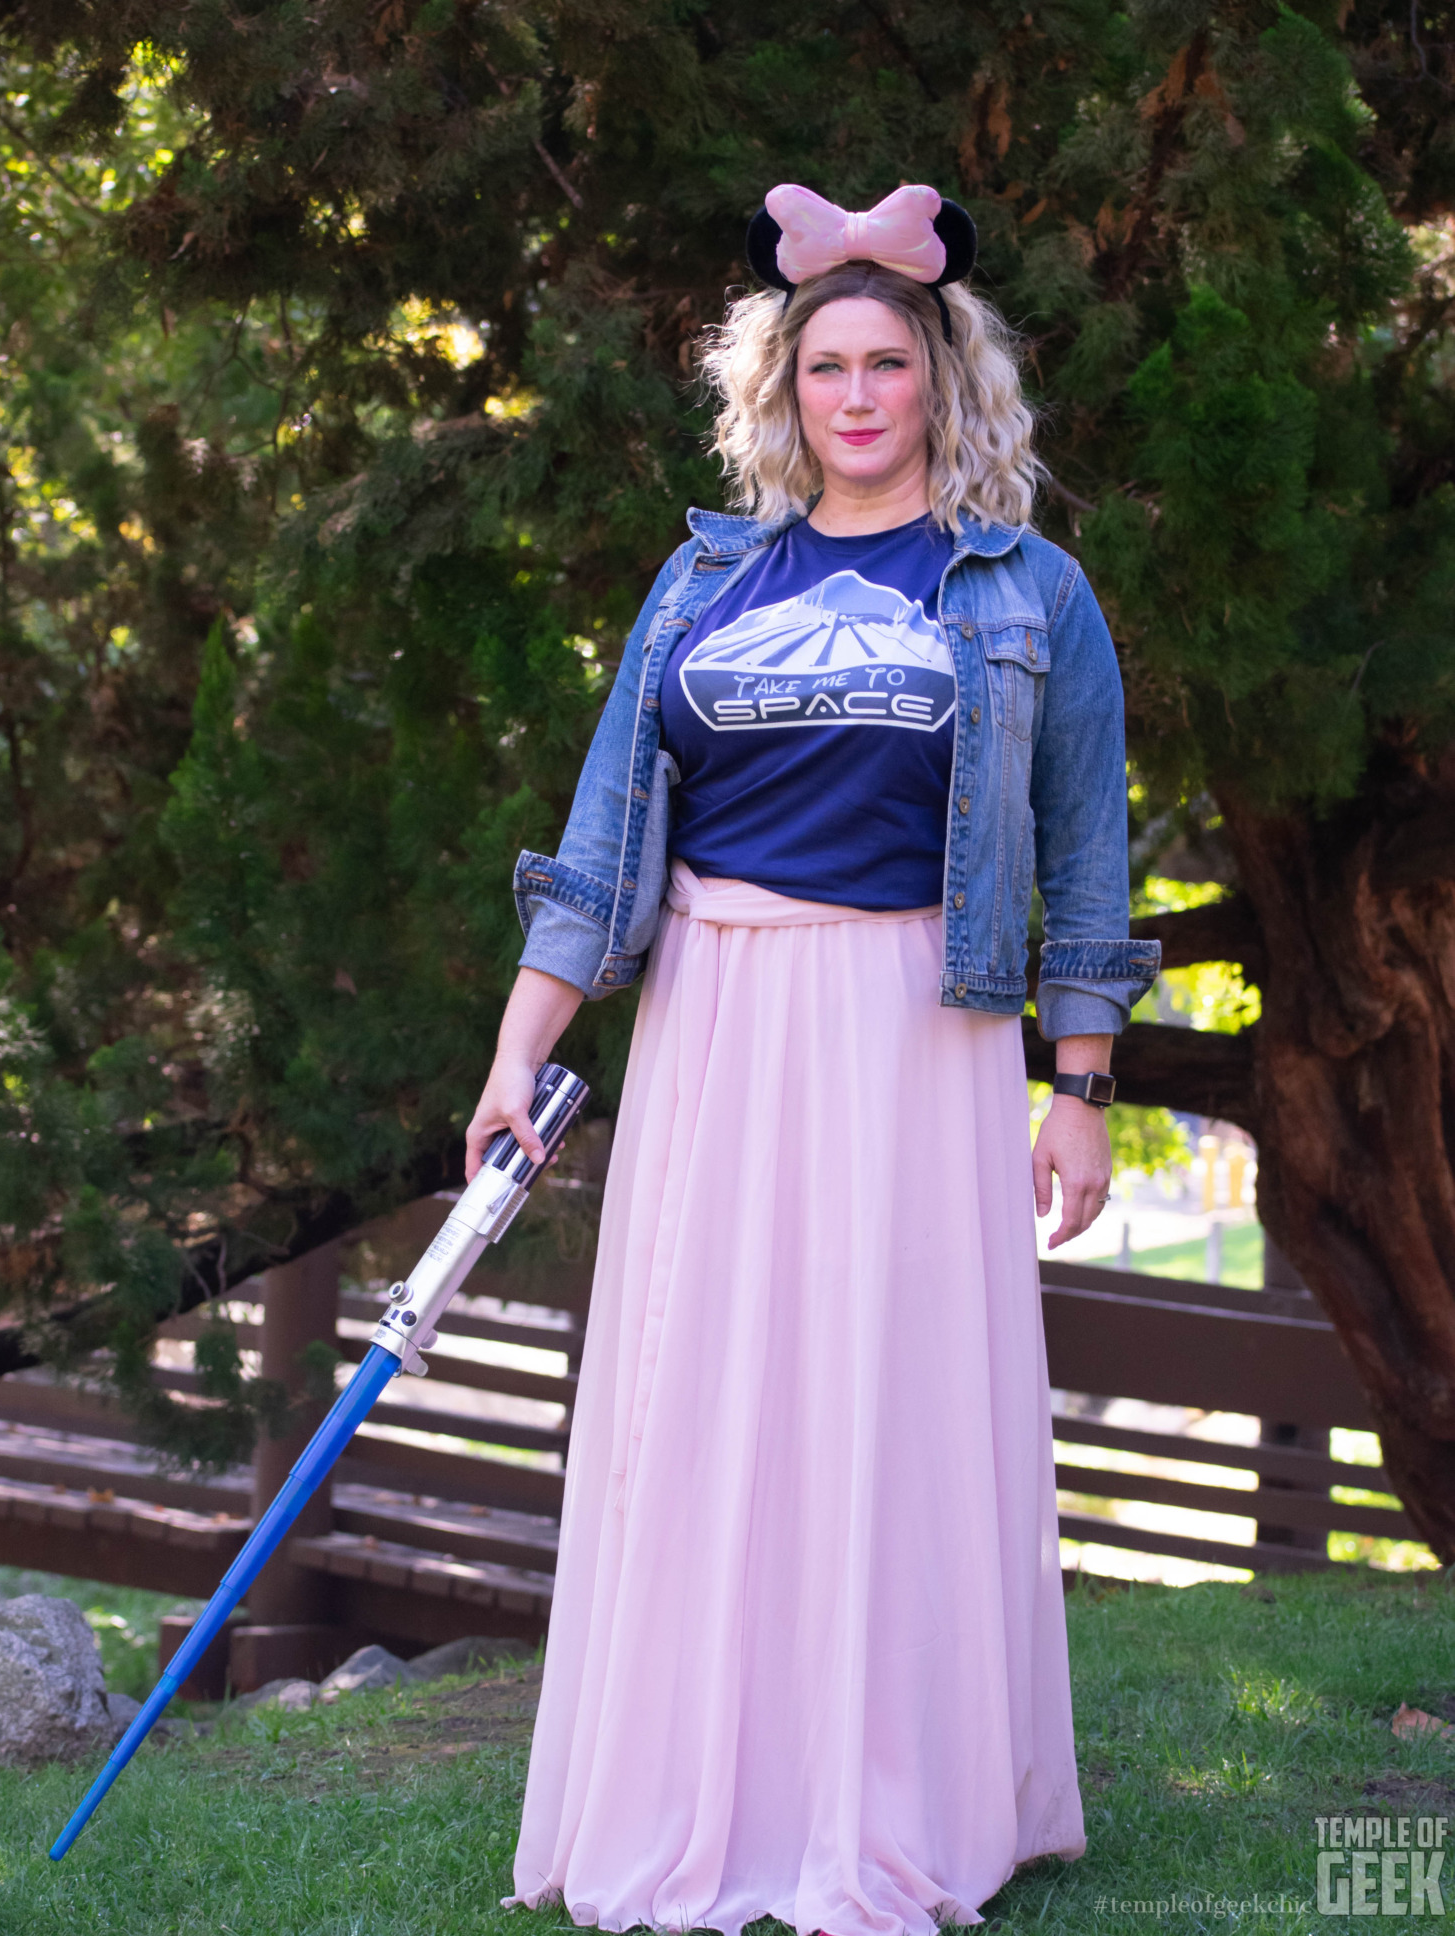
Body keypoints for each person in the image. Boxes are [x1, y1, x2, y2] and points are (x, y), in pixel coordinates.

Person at [469, 183, 1161, 1936]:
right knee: (701, 1412)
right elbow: (604, 836)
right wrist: (517, 1058)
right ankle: (697, 1799)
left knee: (889, 1409)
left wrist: (1078, 1091)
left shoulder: (1023, 592)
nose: (855, 395)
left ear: (941, 377)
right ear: (780, 390)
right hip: (712, 1018)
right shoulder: (703, 577)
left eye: (887, 363)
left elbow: (1085, 854)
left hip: (911, 1033)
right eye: (823, 366)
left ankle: (891, 1809)